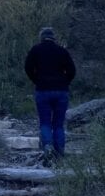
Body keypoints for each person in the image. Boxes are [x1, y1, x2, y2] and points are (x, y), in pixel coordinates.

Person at [24, 27, 76, 159]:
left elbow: (28, 67)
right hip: (61, 91)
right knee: (58, 124)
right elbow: (72, 71)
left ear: (41, 37)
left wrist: (36, 80)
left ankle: (47, 146)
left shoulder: (36, 50)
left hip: (43, 90)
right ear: (54, 38)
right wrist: (65, 82)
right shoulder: (62, 51)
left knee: (45, 122)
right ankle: (60, 152)